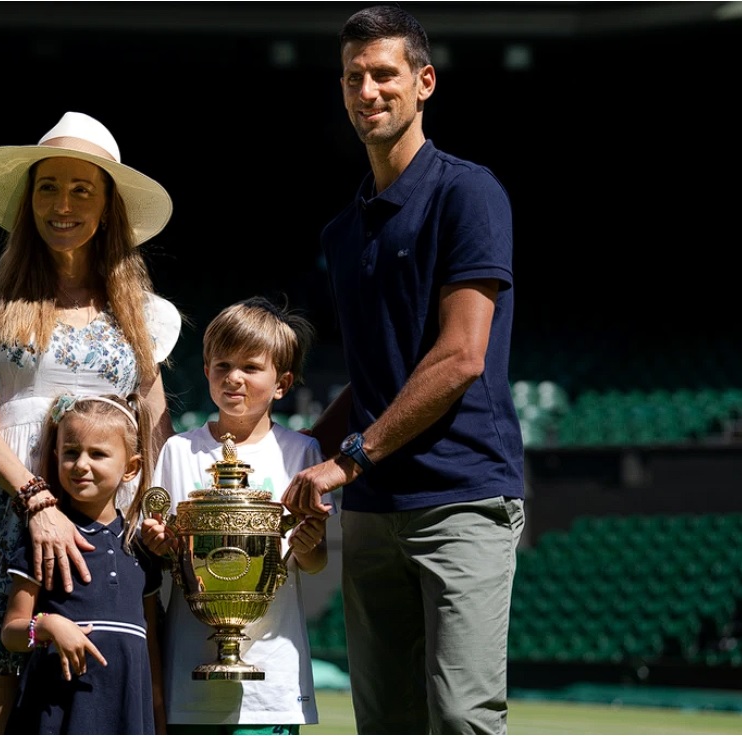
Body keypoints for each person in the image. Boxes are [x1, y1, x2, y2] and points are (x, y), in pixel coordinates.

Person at [280, 6, 526, 734]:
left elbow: (460, 356)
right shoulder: (343, 231)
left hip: (462, 500)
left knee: (460, 716)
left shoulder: (467, 194)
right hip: (375, 511)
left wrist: (349, 456)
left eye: (384, 74)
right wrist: (285, 455)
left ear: (423, 83)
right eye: (354, 77)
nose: (368, 90)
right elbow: (377, 379)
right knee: (385, 723)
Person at [0, 111, 181, 733]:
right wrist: (37, 500)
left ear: (108, 207)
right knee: (15, 708)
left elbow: (157, 423)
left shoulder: (142, 315)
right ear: (27, 200)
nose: (62, 204)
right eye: (48, 187)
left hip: (107, 526)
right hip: (14, 511)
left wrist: (157, 511)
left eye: (82, 189)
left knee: (111, 694)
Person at [142, 296, 332, 734]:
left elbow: (315, 560)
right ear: (206, 370)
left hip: (273, 679)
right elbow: (172, 560)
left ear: (281, 382)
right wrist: (161, 544)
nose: (234, 378)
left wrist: (306, 547)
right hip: (189, 672)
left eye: (251, 367)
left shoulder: (302, 453)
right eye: (222, 365)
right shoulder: (179, 450)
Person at [1, 393, 166, 734]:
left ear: (130, 467)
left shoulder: (142, 546)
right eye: (71, 452)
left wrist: (158, 720)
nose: (81, 465)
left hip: (126, 713)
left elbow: (150, 647)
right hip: (58, 709)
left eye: (99, 454)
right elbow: (12, 632)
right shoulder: (44, 537)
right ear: (56, 455)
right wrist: (47, 626)